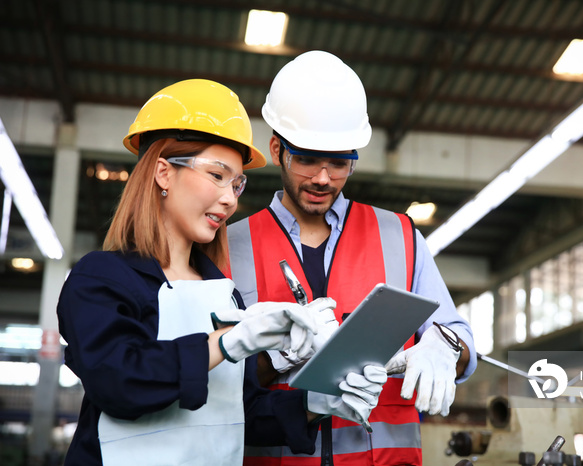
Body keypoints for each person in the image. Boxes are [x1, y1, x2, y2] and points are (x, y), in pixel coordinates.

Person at [56, 78, 387, 466]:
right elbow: (118, 380)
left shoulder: (220, 291)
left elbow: (238, 413)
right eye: (216, 175)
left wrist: (318, 402)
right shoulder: (102, 278)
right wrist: (227, 344)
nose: (230, 199)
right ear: (163, 172)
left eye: (237, 183)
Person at [227, 51, 477, 466]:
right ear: (277, 150)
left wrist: (445, 346)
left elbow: (461, 337)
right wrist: (276, 355)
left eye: (340, 162)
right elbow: (215, 379)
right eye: (307, 159)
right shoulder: (229, 245)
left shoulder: (399, 235)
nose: (323, 178)